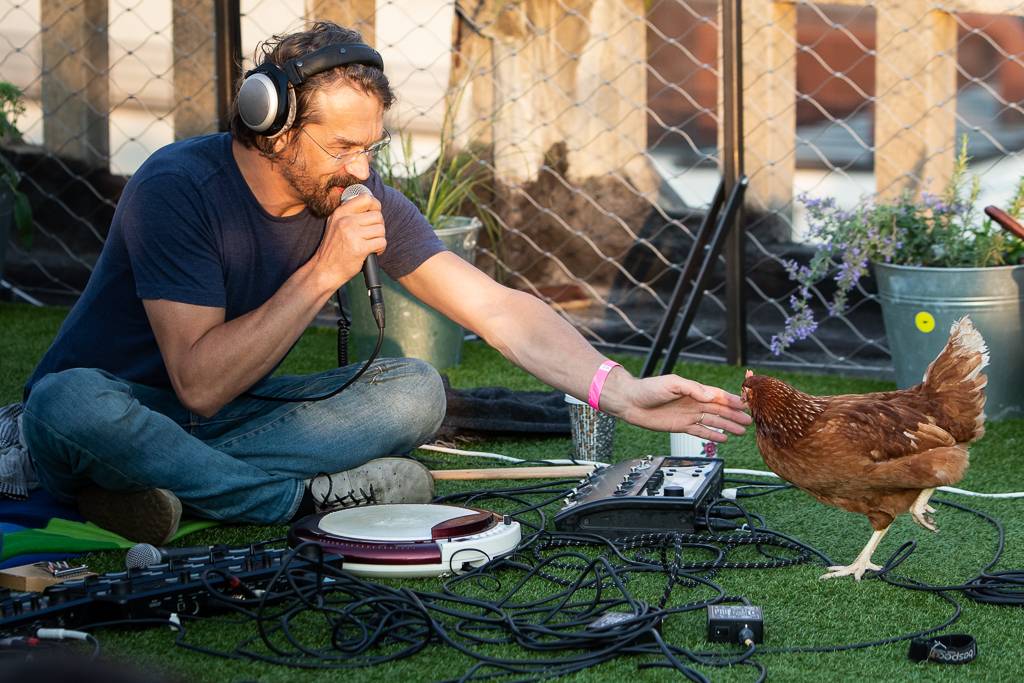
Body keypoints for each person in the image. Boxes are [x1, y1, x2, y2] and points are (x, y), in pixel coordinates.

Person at [20, 22, 751, 545]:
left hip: (227, 426)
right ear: (270, 125)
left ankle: (161, 490)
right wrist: (324, 272)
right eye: (342, 147)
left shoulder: (355, 198)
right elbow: (199, 383)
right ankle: (292, 501)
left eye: (372, 146)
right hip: (117, 406)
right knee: (66, 401)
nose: (362, 170)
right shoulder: (176, 188)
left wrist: (620, 388)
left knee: (416, 390)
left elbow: (494, 309)